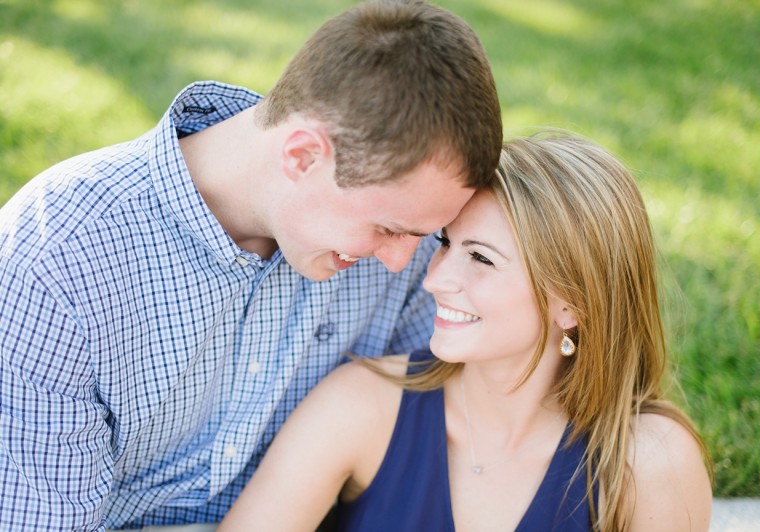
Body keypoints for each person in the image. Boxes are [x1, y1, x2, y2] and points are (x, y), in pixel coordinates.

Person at [0, 1, 502, 529]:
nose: (406, 262)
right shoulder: (55, 261)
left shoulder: (409, 243)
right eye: (388, 228)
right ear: (303, 156)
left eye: (425, 236)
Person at [220, 132, 714, 531]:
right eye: (446, 244)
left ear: (574, 305)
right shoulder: (363, 406)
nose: (434, 278)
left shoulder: (651, 463)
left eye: (480, 258)